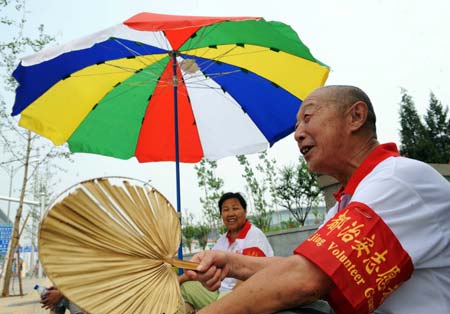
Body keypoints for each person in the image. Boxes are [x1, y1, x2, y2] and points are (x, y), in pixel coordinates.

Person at [184, 85, 450, 314]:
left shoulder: (397, 180)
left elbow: (306, 279)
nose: (298, 133)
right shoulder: (342, 206)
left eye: (307, 117)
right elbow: (303, 267)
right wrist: (230, 263)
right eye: (297, 125)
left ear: (355, 116)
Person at [179, 192, 274, 312]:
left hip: (245, 294)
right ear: (221, 214)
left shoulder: (254, 235)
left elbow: (249, 278)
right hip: (219, 292)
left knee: (225, 301)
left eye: (235, 208)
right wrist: (177, 281)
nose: (230, 214)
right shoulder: (222, 240)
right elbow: (204, 268)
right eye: (225, 210)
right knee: (185, 288)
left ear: (245, 211)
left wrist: (223, 304)